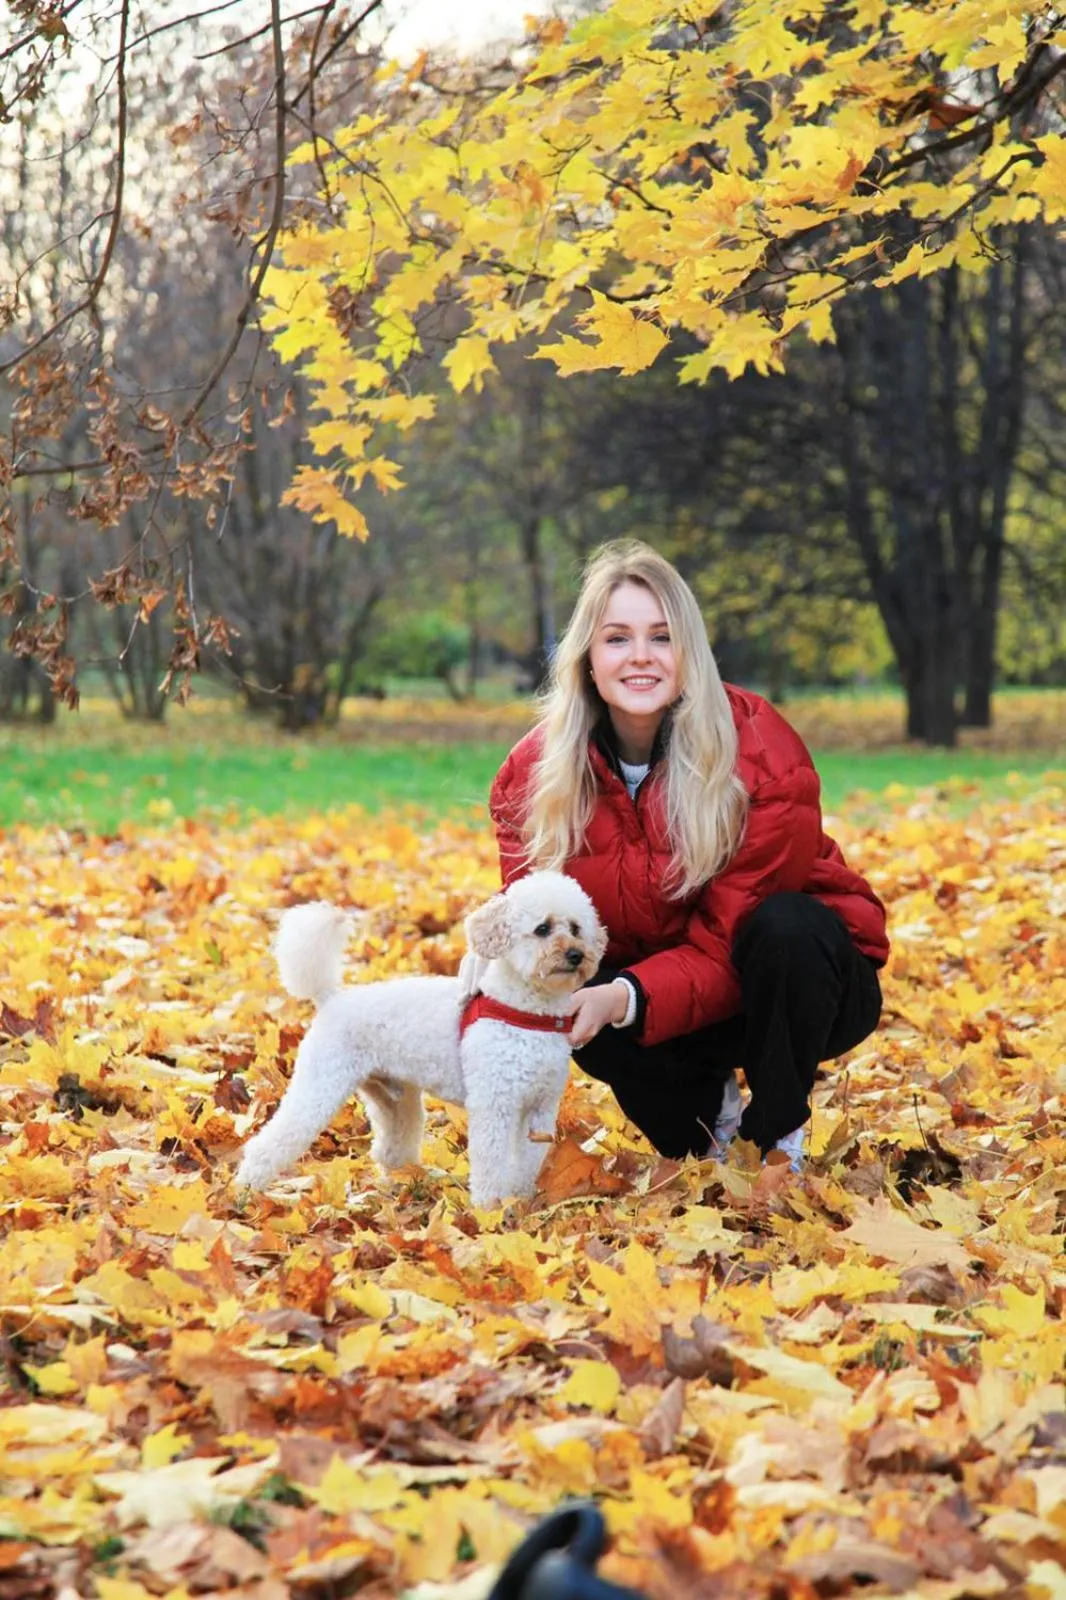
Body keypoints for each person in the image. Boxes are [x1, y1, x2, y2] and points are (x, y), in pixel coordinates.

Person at [489, 540, 888, 1170]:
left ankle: (775, 1137)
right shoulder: (532, 776)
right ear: (587, 657)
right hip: (661, 1002)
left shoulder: (760, 750)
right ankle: (707, 1127)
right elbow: (526, 931)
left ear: (691, 653)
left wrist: (626, 996)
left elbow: (729, 939)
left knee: (787, 926)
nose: (640, 657)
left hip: (794, 989)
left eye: (662, 637)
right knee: (566, 973)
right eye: (617, 638)